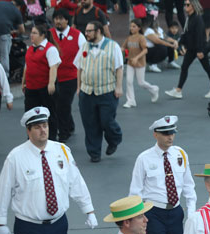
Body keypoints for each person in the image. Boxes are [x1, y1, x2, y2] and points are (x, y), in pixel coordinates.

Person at [74, 21, 124, 163]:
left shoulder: (112, 46)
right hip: (87, 91)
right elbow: (79, 68)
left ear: (99, 31)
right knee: (90, 123)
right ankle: (94, 152)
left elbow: (119, 68)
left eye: (89, 31)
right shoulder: (84, 46)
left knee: (107, 121)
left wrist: (119, 87)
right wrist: (79, 87)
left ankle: (114, 139)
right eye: (86, 31)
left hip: (107, 91)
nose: (87, 34)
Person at [165, 0, 210, 99]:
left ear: (193, 6)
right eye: (185, 4)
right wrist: (179, 43)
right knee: (184, 67)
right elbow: (185, 33)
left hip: (198, 48)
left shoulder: (198, 19)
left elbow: (199, 36)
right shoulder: (189, 18)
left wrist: (200, 51)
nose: (185, 6)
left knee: (207, 68)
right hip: (191, 49)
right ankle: (178, 90)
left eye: (188, 4)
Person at [50, 9, 85, 142]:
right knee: (57, 103)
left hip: (70, 76)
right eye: (56, 18)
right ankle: (69, 125)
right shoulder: (50, 34)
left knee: (63, 104)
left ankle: (63, 132)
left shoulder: (77, 35)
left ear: (67, 20)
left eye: (61, 18)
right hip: (53, 76)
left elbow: (84, 53)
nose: (58, 21)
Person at [22, 24, 61, 142]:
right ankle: (31, 139)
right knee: (31, 114)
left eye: (34, 33)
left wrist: (51, 83)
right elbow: (27, 66)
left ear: (42, 35)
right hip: (32, 88)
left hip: (44, 87)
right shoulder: (30, 48)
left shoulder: (50, 49)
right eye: (31, 33)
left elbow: (54, 66)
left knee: (50, 114)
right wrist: (24, 82)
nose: (31, 35)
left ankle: (52, 138)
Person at [122, 18, 160, 108]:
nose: (131, 28)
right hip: (130, 63)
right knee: (129, 81)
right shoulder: (129, 38)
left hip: (140, 63)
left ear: (139, 28)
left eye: (134, 26)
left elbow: (145, 50)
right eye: (130, 26)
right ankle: (131, 101)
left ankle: (154, 89)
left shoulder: (141, 38)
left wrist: (136, 58)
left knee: (141, 82)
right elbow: (123, 48)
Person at [0, 0, 25, 75]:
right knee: (4, 55)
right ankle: (5, 75)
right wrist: (15, 32)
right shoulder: (16, 11)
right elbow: (22, 30)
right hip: (3, 32)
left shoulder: (0, 3)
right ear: (19, 6)